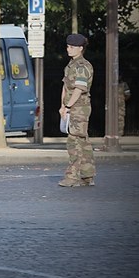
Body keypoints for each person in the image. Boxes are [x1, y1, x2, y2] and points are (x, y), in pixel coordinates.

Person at [59, 33, 95, 187]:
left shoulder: (82, 66)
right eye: (68, 46)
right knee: (83, 141)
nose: (69, 49)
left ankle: (73, 177)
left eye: (72, 47)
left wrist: (67, 106)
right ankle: (87, 175)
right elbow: (65, 87)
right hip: (73, 108)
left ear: (80, 48)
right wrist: (62, 105)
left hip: (79, 108)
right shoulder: (71, 65)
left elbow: (79, 89)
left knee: (74, 142)